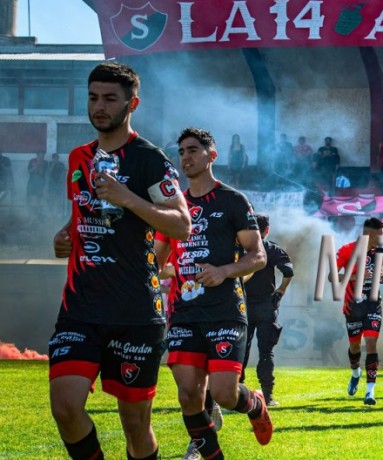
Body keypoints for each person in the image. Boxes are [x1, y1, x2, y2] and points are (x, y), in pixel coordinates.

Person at [49, 62, 192, 460]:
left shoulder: (150, 161)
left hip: (135, 311)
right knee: (65, 406)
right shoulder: (79, 157)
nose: (100, 106)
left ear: (132, 103)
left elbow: (182, 226)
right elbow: (82, 212)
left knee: (135, 425)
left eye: (110, 99)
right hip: (80, 306)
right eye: (94, 97)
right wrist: (66, 234)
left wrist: (128, 198)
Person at [154, 127, 271, 460]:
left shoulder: (232, 200)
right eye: (182, 152)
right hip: (183, 313)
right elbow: (158, 261)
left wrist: (223, 271)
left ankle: (254, 403)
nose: (186, 157)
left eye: (193, 150)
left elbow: (258, 256)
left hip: (224, 310)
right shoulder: (172, 207)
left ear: (211, 155)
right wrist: (163, 270)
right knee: (189, 397)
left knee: (223, 393)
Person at [241, 213, 294, 407]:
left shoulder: (240, 247)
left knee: (240, 351)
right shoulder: (271, 248)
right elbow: (288, 271)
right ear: (267, 230)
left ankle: (236, 393)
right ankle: (268, 396)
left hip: (242, 305)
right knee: (266, 352)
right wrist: (280, 291)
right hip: (265, 305)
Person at [335, 217, 383, 405]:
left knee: (371, 344)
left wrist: (382, 277)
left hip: (373, 304)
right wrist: (356, 275)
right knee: (355, 346)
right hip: (352, 306)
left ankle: (370, 391)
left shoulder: (379, 251)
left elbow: (381, 273)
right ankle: (356, 372)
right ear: (370, 235)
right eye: (380, 234)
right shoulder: (347, 250)